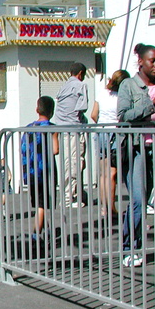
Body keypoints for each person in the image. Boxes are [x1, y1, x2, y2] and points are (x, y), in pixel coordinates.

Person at [116, 43, 155, 268]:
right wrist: (152, 104)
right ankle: (131, 248)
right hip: (136, 149)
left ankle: (131, 240)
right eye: (153, 61)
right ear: (141, 62)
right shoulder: (129, 85)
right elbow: (124, 115)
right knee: (139, 200)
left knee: (142, 200)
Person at [91, 69, 129, 218]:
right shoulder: (121, 97)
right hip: (115, 133)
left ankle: (103, 207)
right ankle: (111, 207)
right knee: (112, 173)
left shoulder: (102, 93)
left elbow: (94, 114)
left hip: (101, 132)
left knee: (103, 174)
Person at [20, 97, 59, 237]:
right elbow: (55, 150)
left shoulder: (29, 128)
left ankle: (43, 227)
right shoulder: (52, 128)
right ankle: (36, 232)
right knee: (43, 204)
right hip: (46, 170)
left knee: (38, 202)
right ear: (52, 111)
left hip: (31, 170)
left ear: (37, 109)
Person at [55, 62, 88, 208]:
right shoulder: (80, 85)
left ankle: (73, 194)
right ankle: (69, 199)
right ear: (81, 73)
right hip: (74, 129)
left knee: (67, 163)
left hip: (62, 130)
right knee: (74, 163)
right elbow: (83, 107)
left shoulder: (63, 87)